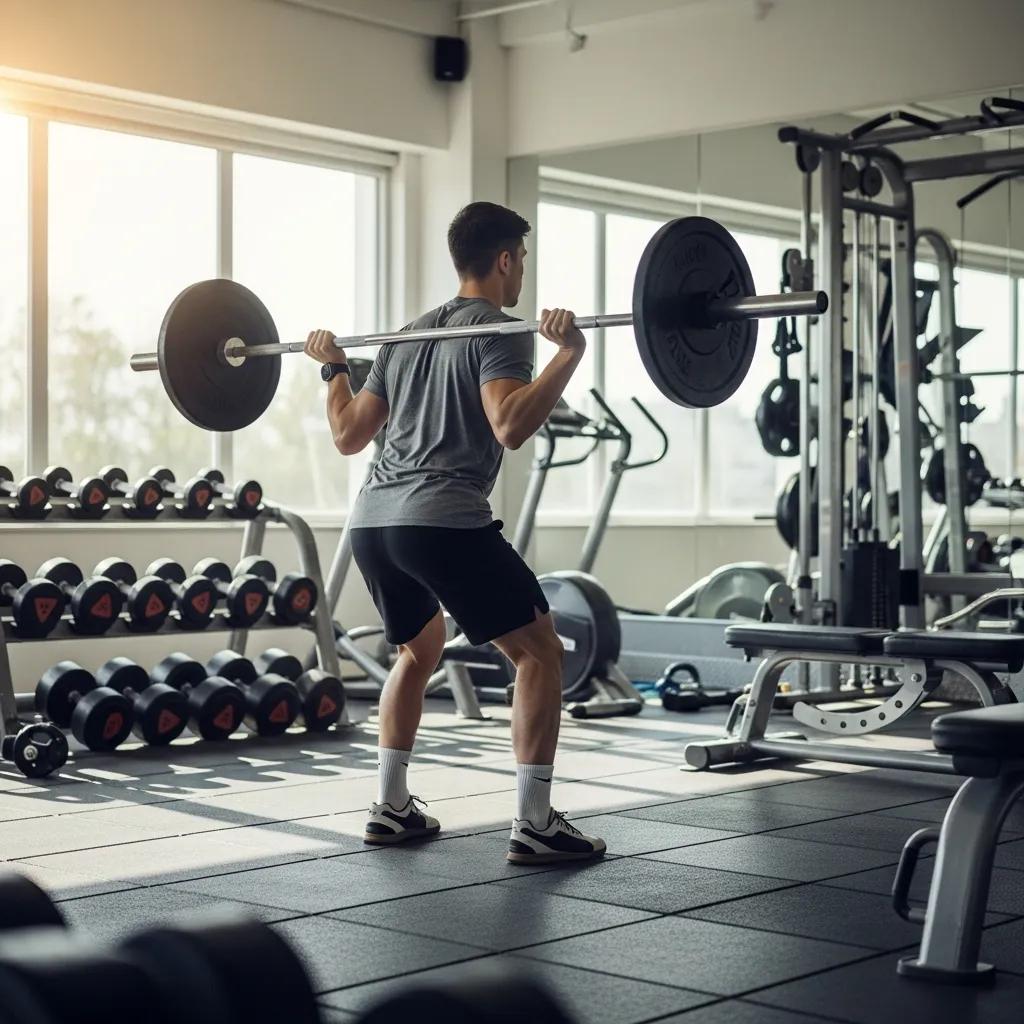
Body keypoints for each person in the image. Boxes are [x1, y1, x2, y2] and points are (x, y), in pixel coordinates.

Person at [304, 201, 605, 865]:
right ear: (505, 259)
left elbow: (348, 435)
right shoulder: (502, 330)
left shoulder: (406, 336)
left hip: (374, 523)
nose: (521, 273)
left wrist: (334, 369)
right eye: (521, 260)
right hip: (440, 519)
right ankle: (535, 822)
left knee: (420, 649)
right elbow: (510, 426)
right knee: (539, 652)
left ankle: (391, 807)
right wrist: (570, 353)